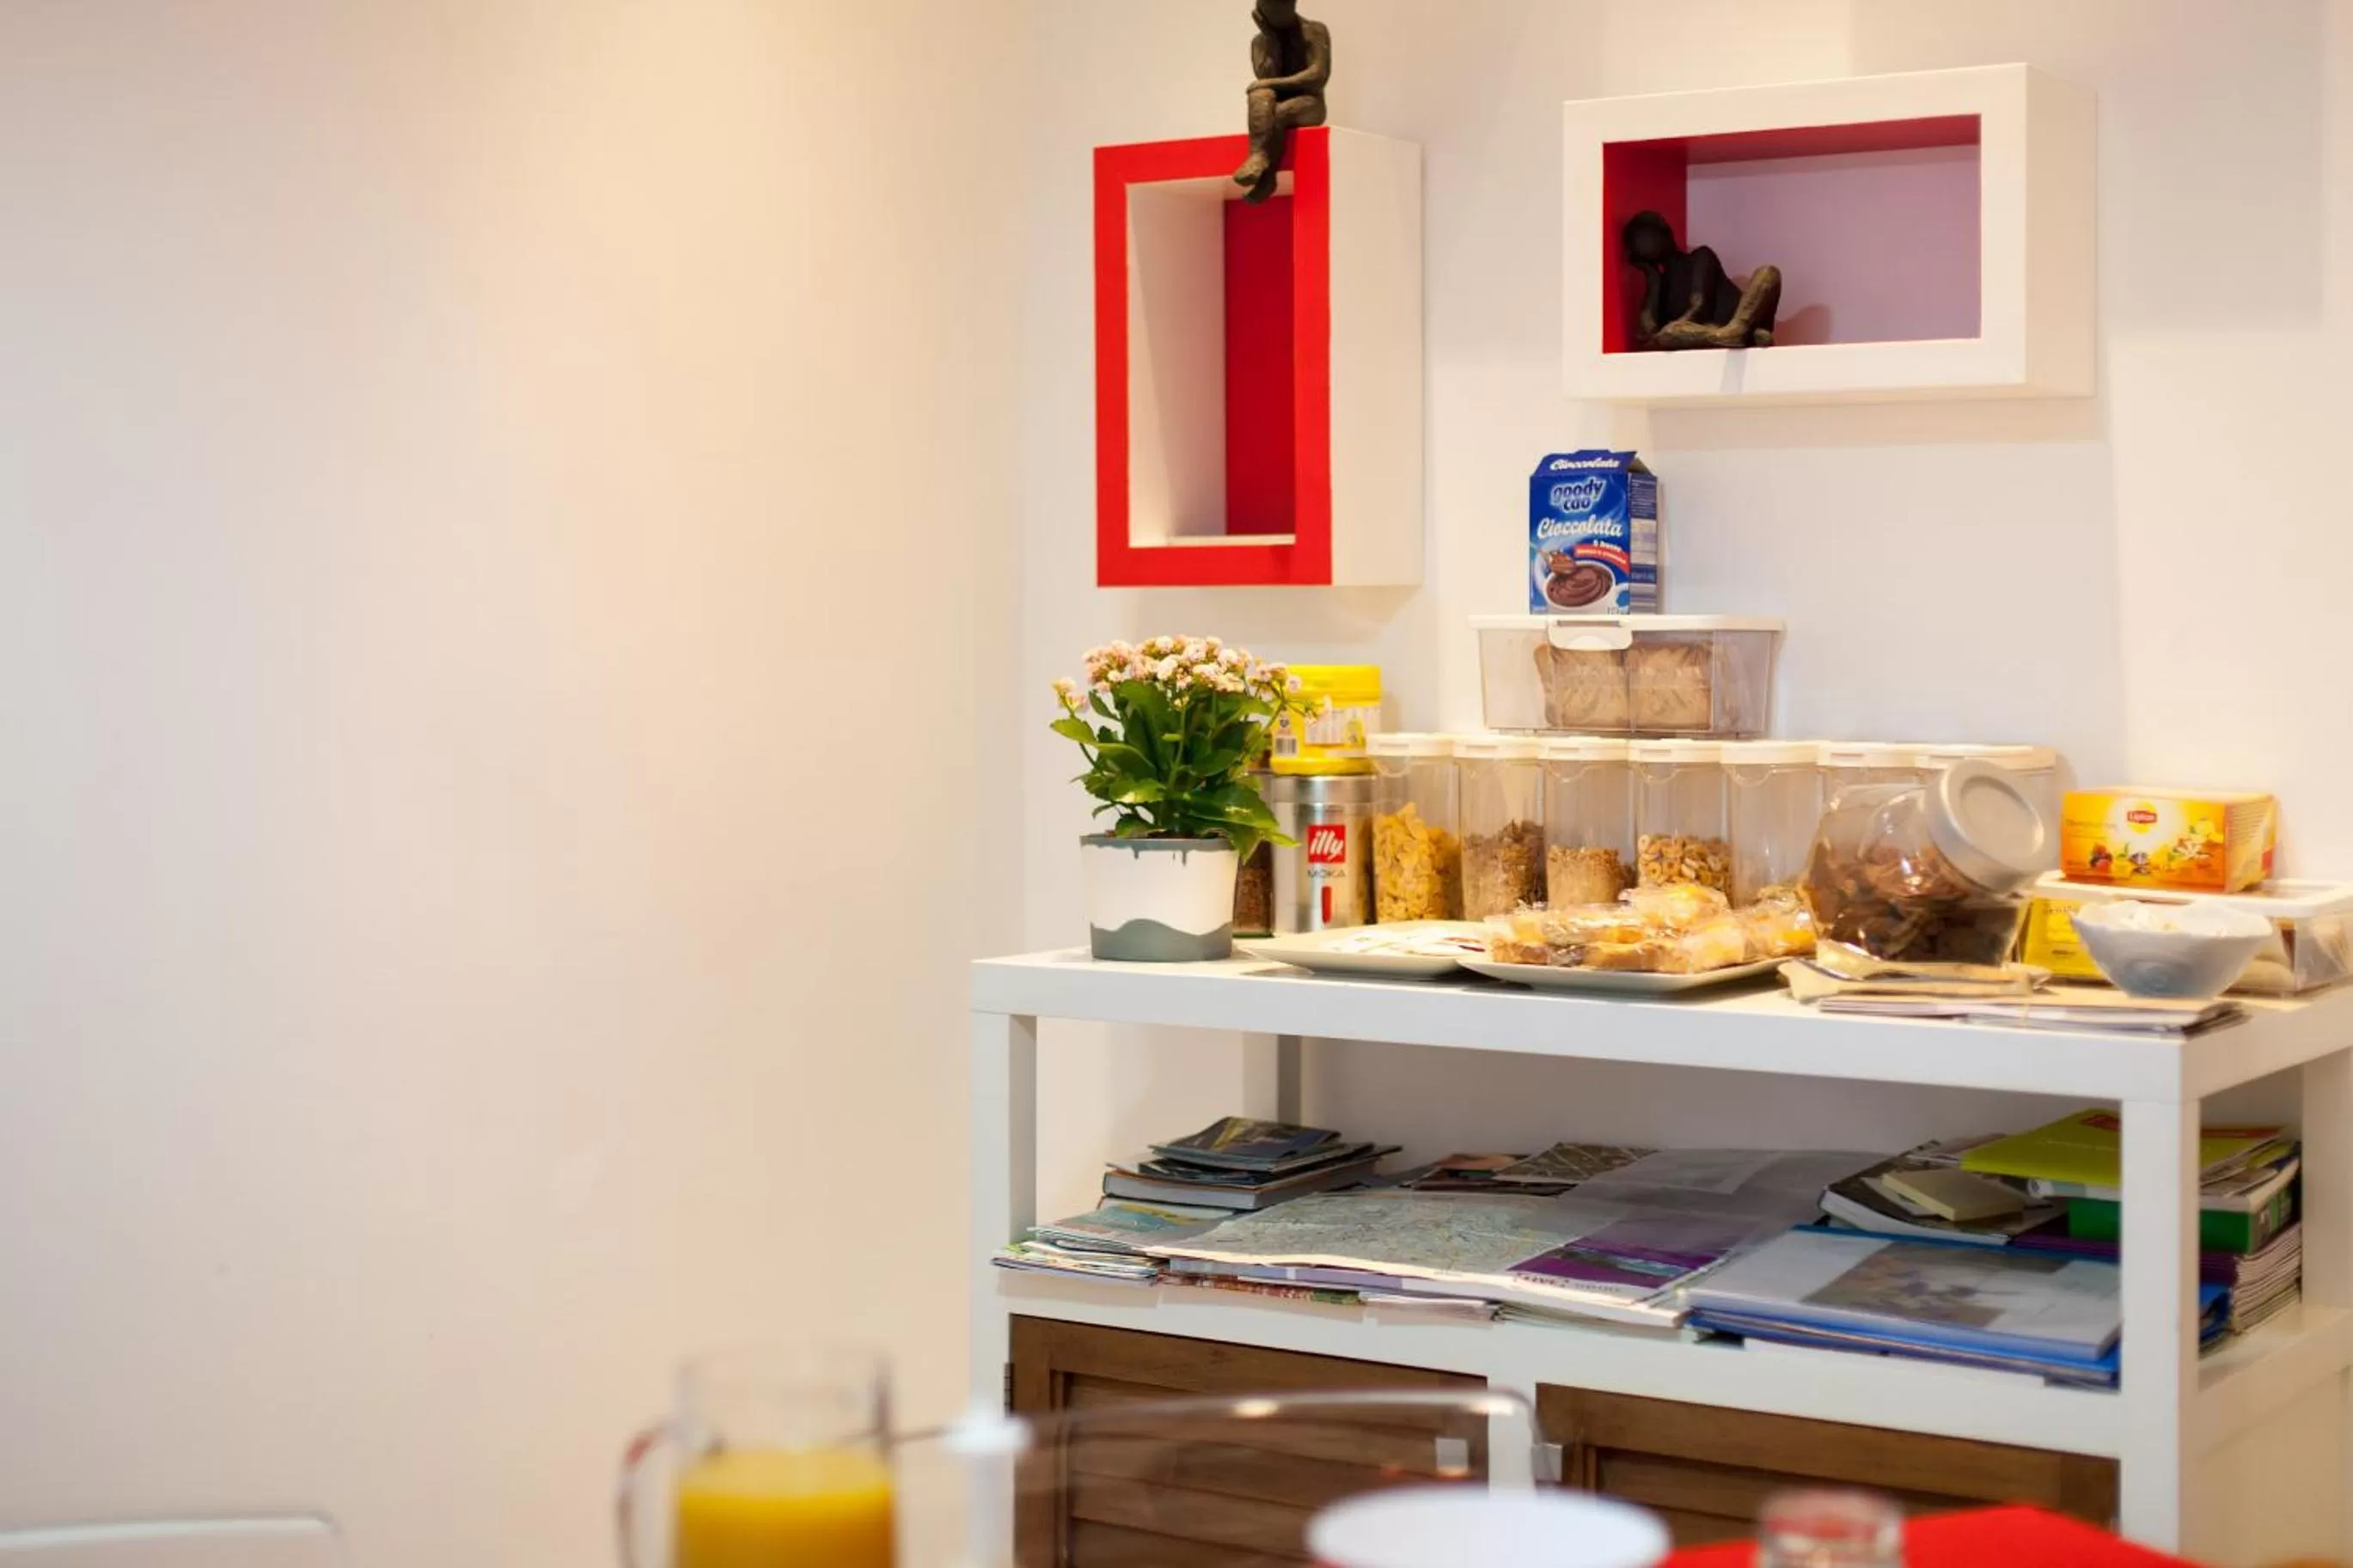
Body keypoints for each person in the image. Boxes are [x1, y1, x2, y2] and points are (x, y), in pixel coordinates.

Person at [1623, 210, 1782, 350]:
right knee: (1669, 334)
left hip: (1740, 320)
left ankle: (1737, 331)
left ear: (1663, 231)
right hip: (1711, 333)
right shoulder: (1662, 287)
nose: (1643, 245)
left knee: (1768, 273)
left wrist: (1678, 329)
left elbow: (1700, 307)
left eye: (1645, 237)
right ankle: (1737, 337)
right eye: (1637, 243)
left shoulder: (1700, 256)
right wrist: (1653, 280)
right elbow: (1647, 336)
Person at [1232, 1, 1331, 204]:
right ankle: (1258, 157)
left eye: (1281, 8)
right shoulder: (1260, 43)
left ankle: (1267, 176)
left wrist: (1272, 83)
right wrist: (1271, 41)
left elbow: (1318, 75)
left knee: (1277, 112)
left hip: (1310, 102)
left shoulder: (1313, 31)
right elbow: (1265, 76)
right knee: (1260, 95)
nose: (1277, 14)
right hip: (1273, 104)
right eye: (1270, 10)